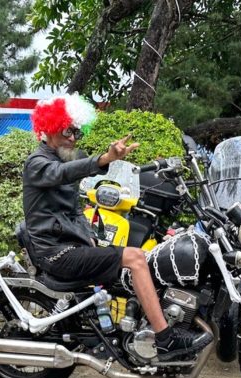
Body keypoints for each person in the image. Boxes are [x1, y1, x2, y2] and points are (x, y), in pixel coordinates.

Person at [22, 94, 212, 359]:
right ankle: (165, 338)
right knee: (135, 258)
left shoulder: (62, 160)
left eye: (77, 132)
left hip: (71, 246)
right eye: (68, 131)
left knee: (139, 257)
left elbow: (75, 210)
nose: (73, 138)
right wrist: (104, 158)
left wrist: (90, 237)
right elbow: (63, 173)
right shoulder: (38, 163)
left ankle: (137, 325)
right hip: (56, 253)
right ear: (51, 127)